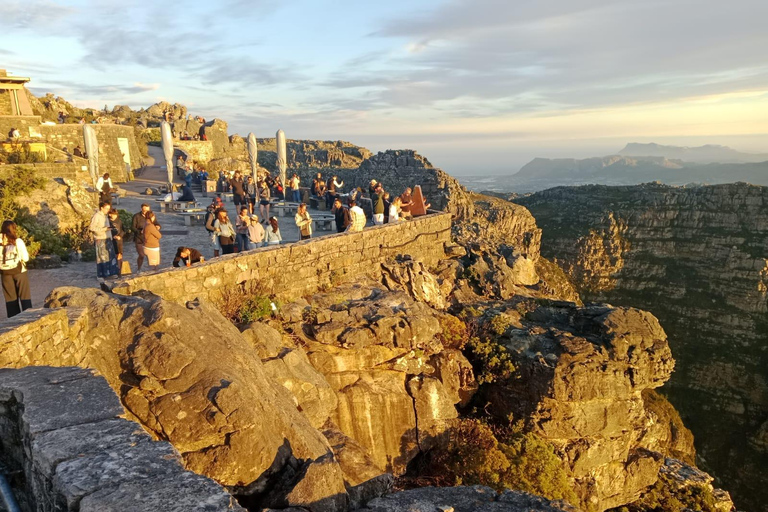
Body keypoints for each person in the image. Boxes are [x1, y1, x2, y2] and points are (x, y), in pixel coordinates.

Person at [0, 220, 31, 318]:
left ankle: (14, 320)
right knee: (24, 296)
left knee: (10, 299)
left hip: (4, 273)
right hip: (19, 271)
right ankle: (28, 318)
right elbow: (25, 258)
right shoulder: (18, 241)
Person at [90, 201, 119, 279]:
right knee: (102, 257)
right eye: (106, 209)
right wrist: (104, 229)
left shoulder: (105, 216)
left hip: (107, 237)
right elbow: (92, 227)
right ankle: (102, 274)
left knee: (110, 256)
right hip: (100, 238)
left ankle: (111, 273)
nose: (107, 210)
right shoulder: (97, 216)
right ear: (101, 208)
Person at [132, 203, 153, 271]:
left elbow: (156, 223)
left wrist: (158, 226)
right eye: (145, 210)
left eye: (147, 210)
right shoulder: (136, 216)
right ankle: (139, 268)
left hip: (148, 239)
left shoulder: (151, 216)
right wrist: (139, 231)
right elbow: (132, 227)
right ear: (142, 209)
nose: (146, 212)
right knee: (141, 255)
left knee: (150, 255)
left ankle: (152, 268)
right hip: (139, 238)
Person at [108, 209, 125, 274]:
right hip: (111, 241)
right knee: (112, 256)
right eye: (113, 214)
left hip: (118, 242)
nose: (115, 216)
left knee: (119, 255)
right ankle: (112, 270)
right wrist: (112, 236)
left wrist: (120, 236)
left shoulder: (119, 221)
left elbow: (123, 230)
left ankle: (119, 270)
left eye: (115, 215)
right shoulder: (108, 221)